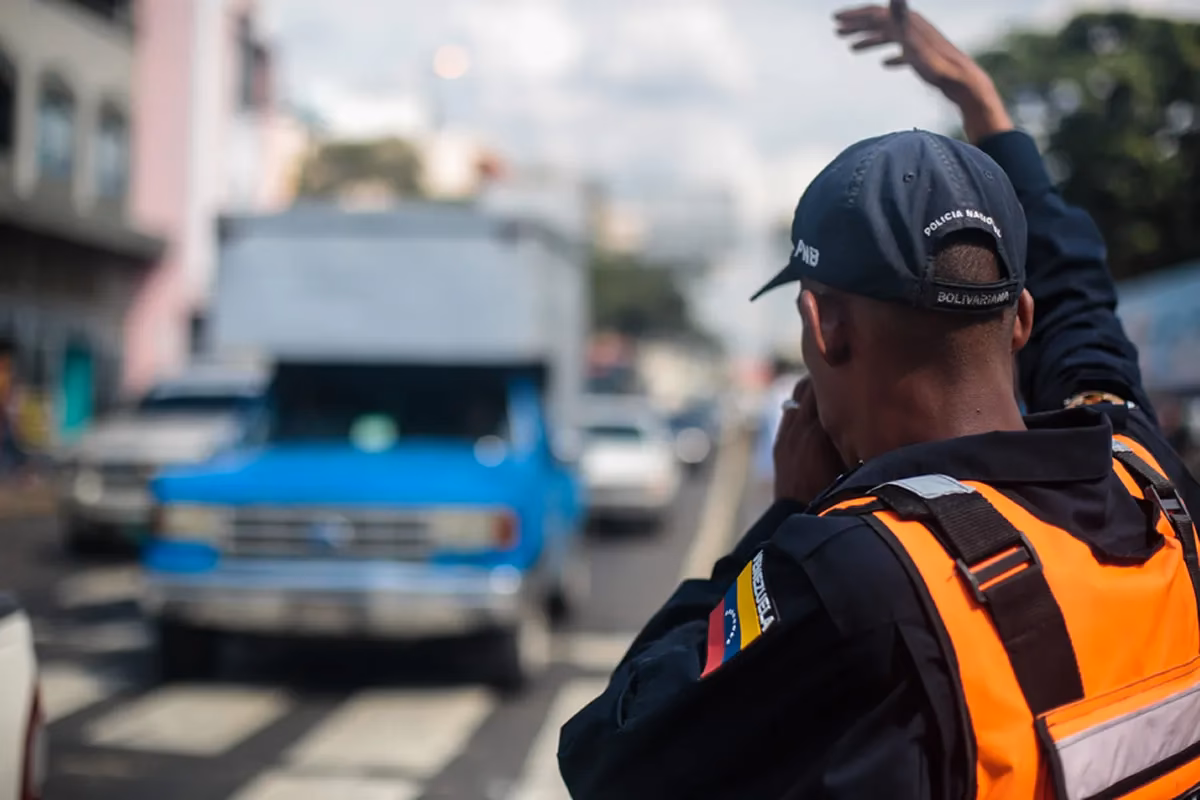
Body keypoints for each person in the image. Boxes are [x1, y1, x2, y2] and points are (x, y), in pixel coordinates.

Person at [558, 5, 1200, 799]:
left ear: (821, 325)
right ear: (1020, 321)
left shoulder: (850, 571)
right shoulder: (1148, 480)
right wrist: (991, 118)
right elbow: (1085, 307)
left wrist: (779, 520)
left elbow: (609, 753)